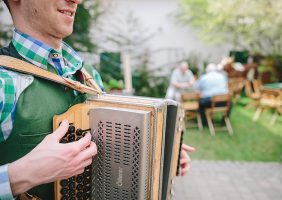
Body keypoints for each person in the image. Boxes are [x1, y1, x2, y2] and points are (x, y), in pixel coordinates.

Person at [0, 0, 194, 199]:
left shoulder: (89, 75)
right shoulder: (3, 82)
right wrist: (23, 174)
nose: (76, 1)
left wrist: (158, 153)